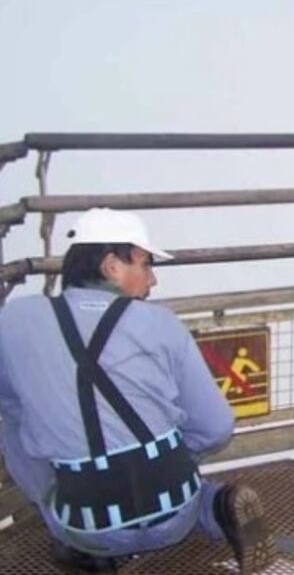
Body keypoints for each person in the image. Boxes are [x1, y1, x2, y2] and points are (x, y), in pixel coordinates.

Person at [0, 208, 275, 574]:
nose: (153, 279)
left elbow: (13, 406)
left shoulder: (15, 321)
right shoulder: (160, 323)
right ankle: (216, 505)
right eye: (145, 264)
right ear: (112, 266)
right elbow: (217, 426)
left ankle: (75, 538)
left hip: (89, 519)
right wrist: (167, 456)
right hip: (173, 510)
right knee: (184, 490)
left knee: (13, 418)